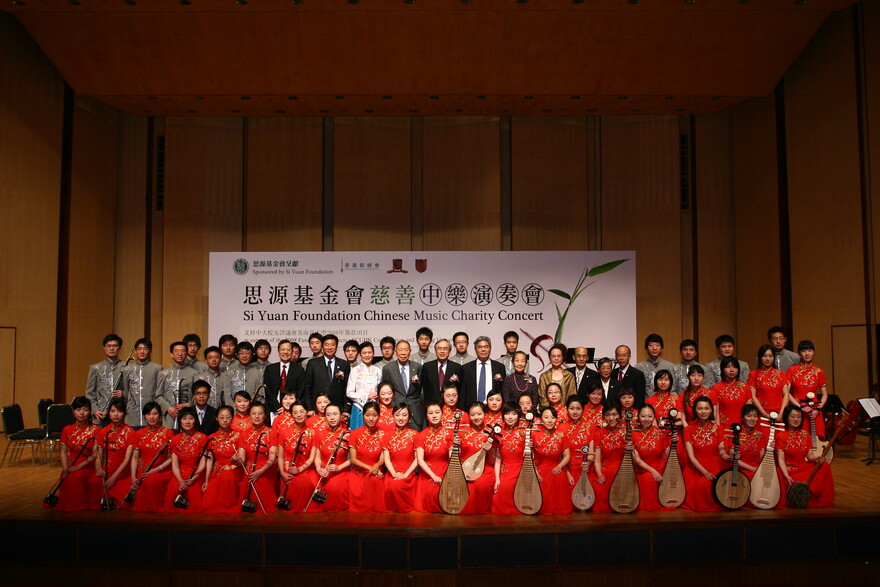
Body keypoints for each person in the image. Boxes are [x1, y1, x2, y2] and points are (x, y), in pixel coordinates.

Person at [776, 404, 834, 507]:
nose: (796, 419)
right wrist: (786, 475)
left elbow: (810, 455)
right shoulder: (781, 436)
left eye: (798, 416)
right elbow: (780, 459)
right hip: (790, 469)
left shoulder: (805, 434)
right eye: (792, 416)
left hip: (803, 466)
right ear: (786, 417)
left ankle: (818, 498)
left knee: (824, 465)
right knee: (779, 472)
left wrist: (816, 459)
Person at [51, 396, 101, 511]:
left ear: (90, 411)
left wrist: (79, 466)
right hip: (71, 465)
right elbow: (63, 453)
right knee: (69, 476)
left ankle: (81, 505)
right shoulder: (67, 430)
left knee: (77, 476)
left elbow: (95, 454)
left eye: (85, 410)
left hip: (89, 466)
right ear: (73, 412)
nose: (82, 413)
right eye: (78, 410)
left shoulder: (96, 430)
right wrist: (65, 468)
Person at [128, 402, 174, 513]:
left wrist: (157, 469)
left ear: (160, 416)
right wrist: (133, 477)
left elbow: (172, 458)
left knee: (152, 480)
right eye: (148, 414)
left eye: (155, 414)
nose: (152, 417)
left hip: (161, 471)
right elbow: (135, 457)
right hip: (143, 471)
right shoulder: (138, 434)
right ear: (144, 416)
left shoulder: (168, 433)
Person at [682, 396, 724, 511]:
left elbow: (722, 451)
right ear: (695, 410)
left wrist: (730, 457)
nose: (703, 411)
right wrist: (705, 472)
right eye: (700, 408)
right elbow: (691, 457)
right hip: (695, 469)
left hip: (714, 467)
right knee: (703, 484)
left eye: (706, 408)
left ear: (711, 410)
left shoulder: (718, 428)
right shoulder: (688, 429)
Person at [274, 400, 317, 513]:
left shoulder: (312, 432)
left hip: (305, 468)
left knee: (306, 483)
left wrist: (300, 469)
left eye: (301, 411)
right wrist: (283, 473)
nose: (299, 415)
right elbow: (280, 456)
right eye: (295, 412)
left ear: (307, 412)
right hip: (287, 469)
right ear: (291, 414)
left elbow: (312, 458)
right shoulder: (284, 431)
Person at [164, 407, 208, 513]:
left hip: (197, 473)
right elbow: (174, 463)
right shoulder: (175, 439)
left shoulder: (202, 438)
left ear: (195, 420)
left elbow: (203, 461)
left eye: (191, 418)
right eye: (184, 418)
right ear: (180, 421)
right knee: (174, 489)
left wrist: (195, 476)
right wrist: (179, 479)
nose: (187, 422)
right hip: (180, 473)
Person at [236, 402, 278, 513]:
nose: (257, 416)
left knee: (261, 482)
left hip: (266, 470)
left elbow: (272, 458)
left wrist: (260, 471)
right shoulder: (244, 433)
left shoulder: (271, 433)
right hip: (249, 470)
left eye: (260, 414)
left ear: (265, 415)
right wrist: (233, 461)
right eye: (254, 414)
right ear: (249, 415)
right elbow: (241, 459)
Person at [454, 402, 496, 514]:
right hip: (465, 467)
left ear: (485, 414)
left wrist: (490, 449)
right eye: (472, 415)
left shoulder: (490, 432)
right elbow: (457, 456)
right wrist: (455, 445)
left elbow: (492, 460)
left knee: (481, 484)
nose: (476, 417)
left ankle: (481, 513)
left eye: (479, 414)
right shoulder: (463, 432)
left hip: (484, 469)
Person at [202, 405, 245, 514]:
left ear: (232, 418)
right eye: (222, 417)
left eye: (228, 417)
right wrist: (206, 479)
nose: (225, 420)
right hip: (217, 470)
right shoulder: (211, 438)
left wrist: (231, 466)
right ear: (216, 418)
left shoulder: (239, 435)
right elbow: (210, 459)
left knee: (227, 475)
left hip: (235, 468)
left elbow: (242, 458)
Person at [310, 402, 351, 512]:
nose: (332, 418)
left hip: (340, 471)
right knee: (309, 484)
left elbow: (352, 459)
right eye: (328, 415)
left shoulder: (348, 433)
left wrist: (339, 467)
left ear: (341, 415)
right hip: (321, 471)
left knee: (334, 488)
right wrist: (318, 468)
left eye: (335, 414)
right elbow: (317, 456)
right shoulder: (319, 433)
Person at [95, 398, 136, 507]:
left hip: (122, 472)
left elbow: (127, 459)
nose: (116, 414)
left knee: (123, 501)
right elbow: (99, 455)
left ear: (124, 413)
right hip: (106, 470)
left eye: (119, 411)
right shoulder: (103, 432)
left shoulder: (130, 432)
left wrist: (114, 477)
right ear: (109, 413)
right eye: (113, 411)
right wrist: (99, 470)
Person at [348, 401, 386, 513]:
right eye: (368, 415)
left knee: (375, 482)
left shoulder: (382, 434)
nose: (371, 419)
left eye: (374, 415)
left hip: (376, 470)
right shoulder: (354, 434)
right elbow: (353, 459)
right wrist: (370, 468)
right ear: (363, 415)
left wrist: (376, 466)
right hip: (359, 472)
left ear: (379, 416)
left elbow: (383, 457)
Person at [532, 406, 572, 515]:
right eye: (546, 417)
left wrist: (559, 466)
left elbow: (567, 456)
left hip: (555, 466)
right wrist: (535, 471)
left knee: (560, 477)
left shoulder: (561, 433)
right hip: (539, 468)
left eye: (553, 417)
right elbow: (530, 457)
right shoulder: (534, 433)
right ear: (541, 419)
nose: (550, 420)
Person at [414, 402, 453, 513]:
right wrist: (433, 475)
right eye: (431, 413)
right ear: (426, 416)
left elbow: (452, 458)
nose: (434, 416)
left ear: (442, 414)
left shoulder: (449, 434)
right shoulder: (421, 435)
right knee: (431, 493)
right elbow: (420, 460)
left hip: (445, 471)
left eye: (437, 412)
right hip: (428, 472)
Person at [631, 404, 671, 511]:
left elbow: (668, 454)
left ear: (654, 417)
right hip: (642, 470)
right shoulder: (633, 433)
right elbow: (637, 460)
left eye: (650, 416)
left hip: (660, 467)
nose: (646, 419)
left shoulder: (660, 433)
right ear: (638, 417)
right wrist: (653, 471)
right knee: (648, 478)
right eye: (643, 416)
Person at [786, 340, 829, 438]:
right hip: (797, 410)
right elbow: (787, 393)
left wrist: (818, 409)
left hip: (815, 410)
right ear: (799, 353)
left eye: (810, 350)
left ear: (814, 352)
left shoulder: (819, 371)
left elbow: (824, 394)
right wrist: (800, 407)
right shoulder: (792, 370)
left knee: (816, 440)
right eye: (804, 351)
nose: (807, 353)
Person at [382, 403, 419, 513]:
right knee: (392, 486)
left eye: (404, 415)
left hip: (408, 475)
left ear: (409, 417)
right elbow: (386, 459)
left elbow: (417, 459)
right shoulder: (387, 436)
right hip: (392, 474)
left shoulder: (416, 435)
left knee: (397, 486)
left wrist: (405, 475)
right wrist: (394, 474)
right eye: (398, 415)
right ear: (393, 416)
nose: (401, 418)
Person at [381, 340, 424, 430]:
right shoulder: (388, 369)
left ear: (410, 351)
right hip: (396, 412)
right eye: (400, 350)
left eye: (406, 350)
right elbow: (386, 390)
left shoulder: (417, 367)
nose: (403, 353)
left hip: (415, 413)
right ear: (395, 352)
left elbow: (419, 390)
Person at [492, 402, 526, 515]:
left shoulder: (524, 432)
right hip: (505, 469)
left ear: (519, 416)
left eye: (514, 414)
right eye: (507, 414)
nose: (510, 417)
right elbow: (497, 458)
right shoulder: (499, 432)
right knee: (502, 493)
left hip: (521, 469)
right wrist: (497, 478)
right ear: (503, 416)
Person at [589, 404, 625, 512]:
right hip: (605, 467)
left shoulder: (626, 432)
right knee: (598, 485)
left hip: (623, 468)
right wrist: (599, 474)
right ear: (603, 416)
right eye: (608, 415)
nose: (611, 418)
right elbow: (597, 459)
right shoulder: (599, 433)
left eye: (614, 414)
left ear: (620, 415)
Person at [304, 334, 351, 415]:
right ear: (322, 346)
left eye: (333, 345)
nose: (329, 348)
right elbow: (307, 388)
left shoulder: (344, 364)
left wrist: (346, 410)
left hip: (338, 409)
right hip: (317, 410)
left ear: (336, 347)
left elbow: (347, 388)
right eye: (327, 345)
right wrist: (310, 408)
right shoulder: (313, 363)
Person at [155, 341, 197, 430]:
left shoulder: (194, 373)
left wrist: (189, 404)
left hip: (188, 416)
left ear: (186, 353)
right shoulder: (163, 373)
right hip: (169, 416)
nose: (180, 354)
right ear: (171, 354)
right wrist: (168, 408)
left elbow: (197, 395)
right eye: (176, 351)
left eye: (183, 351)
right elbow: (158, 396)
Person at [720, 404, 766, 483]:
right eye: (749, 416)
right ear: (742, 418)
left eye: (755, 416)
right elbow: (734, 457)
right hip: (739, 470)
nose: (752, 419)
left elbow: (762, 457)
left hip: (756, 469)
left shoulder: (759, 435)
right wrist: (752, 469)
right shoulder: (736, 433)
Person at [86, 333, 125, 425]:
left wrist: (123, 393)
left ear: (119, 348)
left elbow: (132, 390)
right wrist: (95, 410)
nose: (112, 349)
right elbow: (89, 393)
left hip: (120, 415)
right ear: (104, 348)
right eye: (109, 346)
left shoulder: (126, 367)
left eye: (115, 346)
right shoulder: (95, 368)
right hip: (101, 414)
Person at [122, 338, 162, 428]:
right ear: (136, 351)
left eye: (145, 349)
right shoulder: (127, 369)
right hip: (132, 414)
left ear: (150, 351)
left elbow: (159, 392)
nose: (142, 352)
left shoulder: (157, 368)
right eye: (139, 349)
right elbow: (126, 390)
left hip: (150, 414)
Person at [263, 339, 306, 420]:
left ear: (292, 352)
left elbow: (300, 390)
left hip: (292, 410)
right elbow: (268, 390)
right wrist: (278, 407)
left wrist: (289, 406)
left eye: (288, 349)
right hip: (274, 410)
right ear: (278, 351)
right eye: (282, 349)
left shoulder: (299, 370)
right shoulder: (270, 369)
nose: (285, 352)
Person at [460, 336, 507, 408]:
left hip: (493, 408)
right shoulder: (466, 368)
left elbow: (503, 390)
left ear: (490, 348)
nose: (483, 349)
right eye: (480, 347)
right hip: (472, 409)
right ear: (475, 349)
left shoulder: (499, 367)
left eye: (486, 347)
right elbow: (463, 392)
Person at [346, 341, 382, 429]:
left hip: (374, 408)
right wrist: (366, 396)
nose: (367, 355)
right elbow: (349, 392)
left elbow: (380, 389)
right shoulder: (355, 370)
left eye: (369, 352)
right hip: (359, 408)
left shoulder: (378, 370)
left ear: (373, 353)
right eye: (364, 353)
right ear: (360, 354)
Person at [748, 344, 791, 419]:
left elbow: (786, 395)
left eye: (770, 356)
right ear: (760, 357)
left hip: (779, 413)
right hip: (761, 414)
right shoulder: (753, 374)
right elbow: (753, 397)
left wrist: (781, 413)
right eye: (765, 356)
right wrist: (764, 414)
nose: (768, 359)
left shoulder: (781, 374)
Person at [709, 357, 752, 427]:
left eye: (734, 367)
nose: (731, 370)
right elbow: (715, 412)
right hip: (723, 427)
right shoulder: (716, 388)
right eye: (728, 367)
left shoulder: (745, 387)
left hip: (742, 427)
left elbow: (749, 412)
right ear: (722, 369)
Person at [420, 338, 463, 406]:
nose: (442, 351)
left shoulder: (457, 368)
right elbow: (425, 389)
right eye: (439, 348)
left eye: (445, 349)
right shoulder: (427, 367)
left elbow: (460, 390)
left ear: (449, 351)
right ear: (435, 351)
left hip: (451, 406)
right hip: (432, 407)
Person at [220, 342, 264, 406]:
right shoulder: (229, 373)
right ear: (237, 355)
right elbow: (227, 395)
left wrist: (254, 409)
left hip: (253, 411)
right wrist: (233, 410)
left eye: (248, 353)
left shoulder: (259, 373)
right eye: (241, 353)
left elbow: (261, 395)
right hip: (234, 412)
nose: (244, 356)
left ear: (252, 355)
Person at [635, 333, 677, 398]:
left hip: (666, 404)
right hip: (646, 405)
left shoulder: (670, 367)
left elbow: (673, 389)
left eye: (657, 345)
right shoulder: (639, 367)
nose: (654, 348)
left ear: (661, 348)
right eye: (651, 345)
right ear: (646, 348)